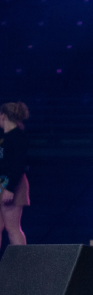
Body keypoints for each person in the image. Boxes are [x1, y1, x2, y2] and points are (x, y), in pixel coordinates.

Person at [0, 102, 31, 248]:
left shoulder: (18, 137)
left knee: (12, 228)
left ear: (3, 116)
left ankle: (23, 267)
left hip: (13, 184)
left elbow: (18, 165)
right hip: (2, 183)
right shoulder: (3, 138)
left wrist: (10, 188)